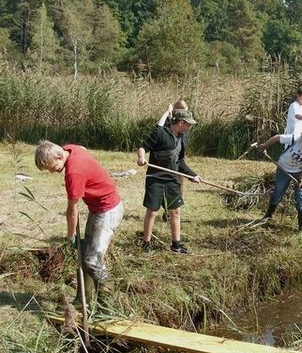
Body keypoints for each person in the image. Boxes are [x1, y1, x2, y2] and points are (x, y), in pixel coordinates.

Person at [34, 140, 123, 302]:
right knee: (84, 254)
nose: (52, 172)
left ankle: (108, 304)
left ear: (60, 157)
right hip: (98, 208)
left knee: (92, 261)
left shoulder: (74, 173)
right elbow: (83, 148)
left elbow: (72, 211)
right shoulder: (71, 149)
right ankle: (83, 300)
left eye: (52, 167)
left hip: (108, 210)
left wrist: (70, 236)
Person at [137, 109, 201, 254]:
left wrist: (192, 175)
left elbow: (180, 163)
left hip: (172, 180)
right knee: (152, 212)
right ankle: (146, 244)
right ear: (180, 123)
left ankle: (176, 245)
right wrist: (141, 158)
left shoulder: (182, 139)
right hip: (156, 179)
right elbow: (143, 147)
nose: (189, 127)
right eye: (188, 125)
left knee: (175, 212)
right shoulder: (160, 133)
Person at [258, 124, 302, 233]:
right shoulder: (295, 139)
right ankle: (267, 216)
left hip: (299, 172)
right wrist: (264, 146)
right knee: (278, 192)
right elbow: (277, 138)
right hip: (283, 169)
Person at [157, 100, 189, 222]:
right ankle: (167, 211)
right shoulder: (167, 121)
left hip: (179, 157)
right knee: (168, 183)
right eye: (181, 110)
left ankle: (176, 208)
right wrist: (169, 115)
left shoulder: (184, 121)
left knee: (180, 182)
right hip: (167, 160)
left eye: (185, 110)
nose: (183, 113)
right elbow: (161, 130)